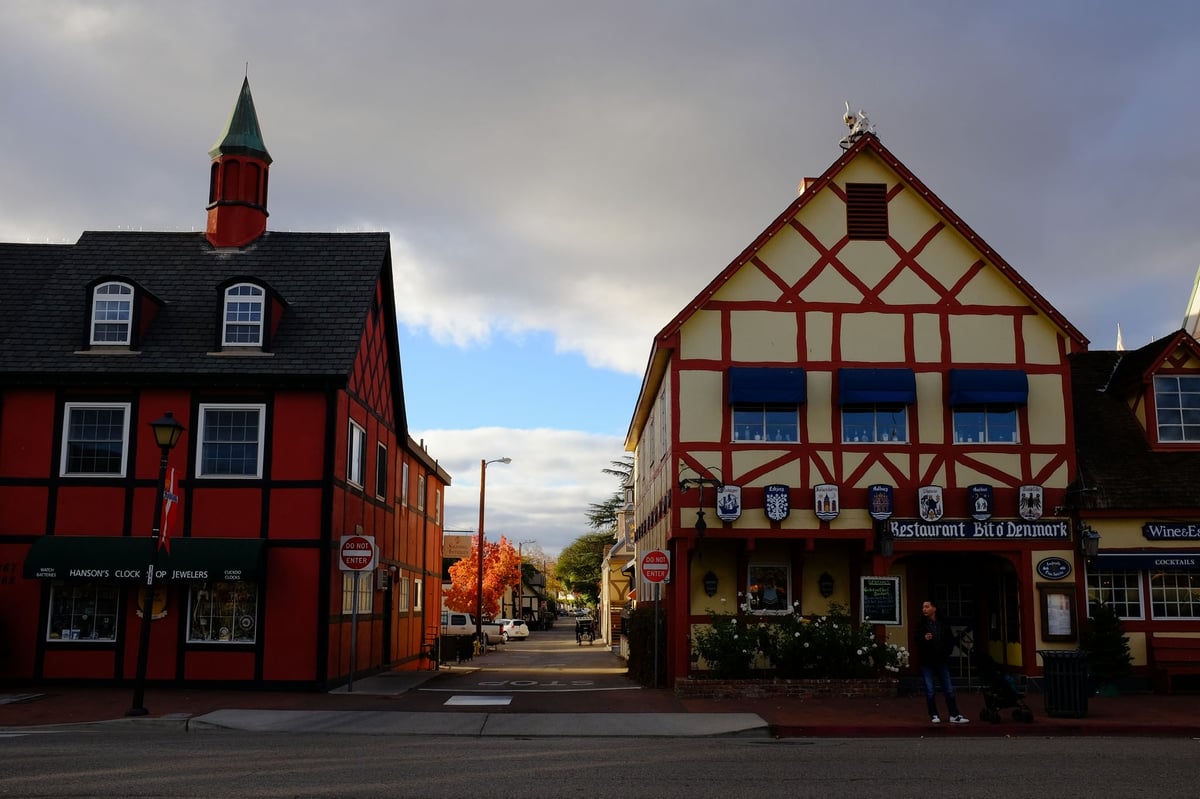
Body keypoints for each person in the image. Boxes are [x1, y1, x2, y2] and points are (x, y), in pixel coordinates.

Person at [915, 599, 969, 724]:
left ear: (934, 608)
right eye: (923, 607)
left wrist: (947, 653)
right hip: (927, 661)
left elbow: (950, 640)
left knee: (948, 689)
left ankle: (954, 714)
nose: (924, 609)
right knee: (930, 690)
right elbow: (916, 641)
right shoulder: (921, 625)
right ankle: (933, 714)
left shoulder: (943, 624)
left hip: (941, 660)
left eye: (927, 607)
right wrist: (924, 639)